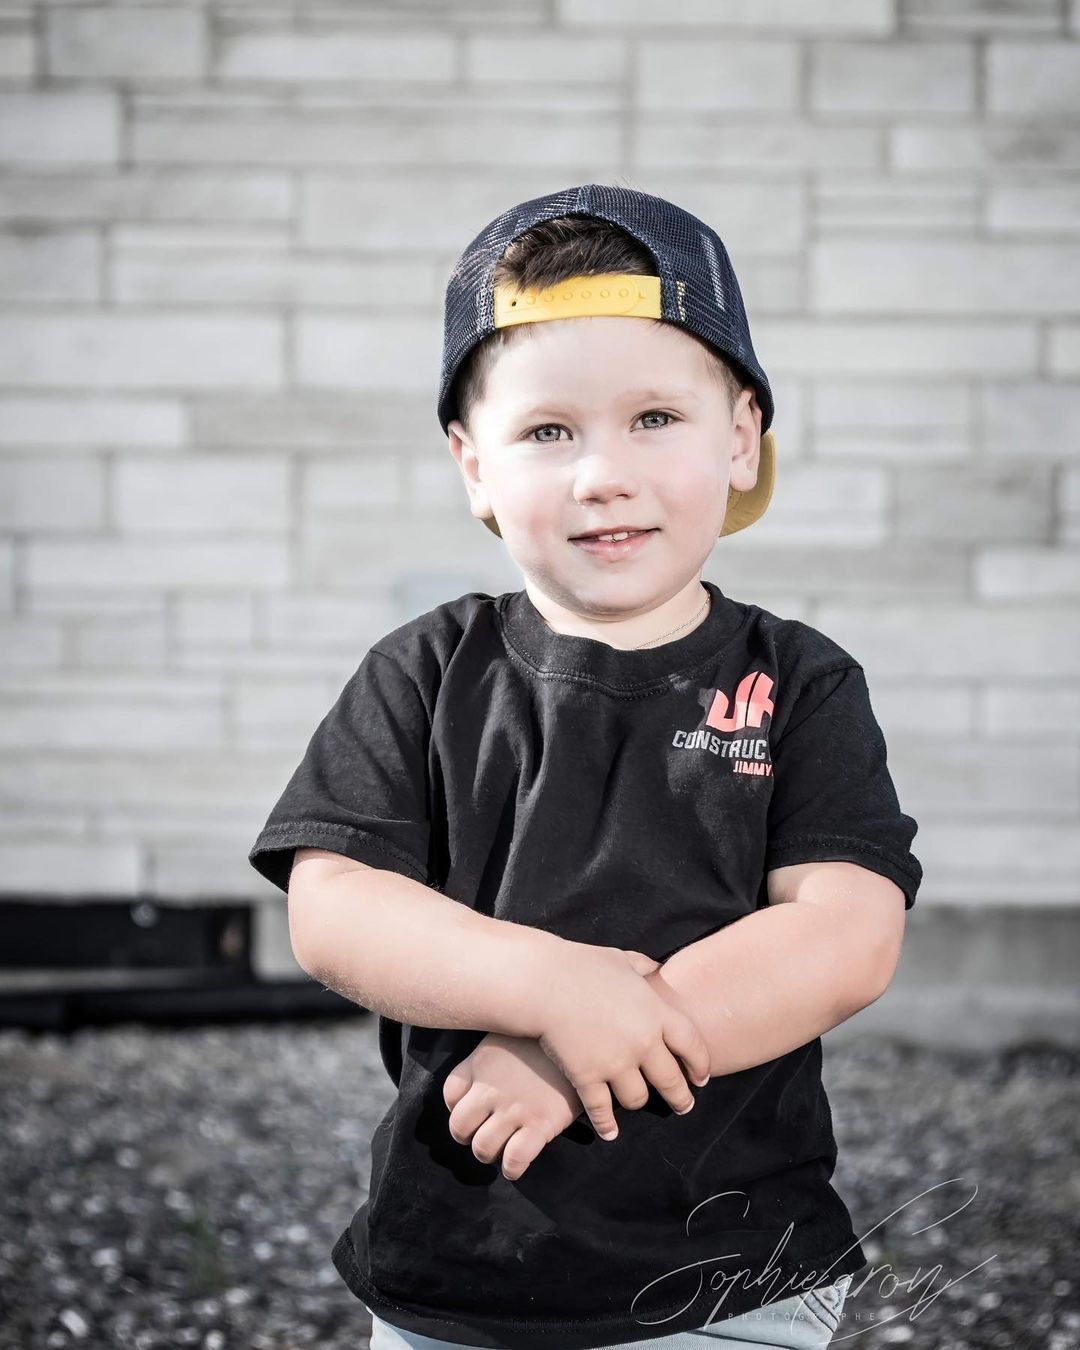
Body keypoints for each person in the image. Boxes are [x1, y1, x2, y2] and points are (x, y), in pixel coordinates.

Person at [248, 183, 923, 1350]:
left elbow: (845, 934)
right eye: (548, 431)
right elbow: (337, 907)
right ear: (474, 467)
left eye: (655, 418)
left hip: (731, 1272)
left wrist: (603, 1037)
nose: (601, 473)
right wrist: (552, 989)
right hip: (462, 1262)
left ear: (743, 436)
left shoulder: (802, 682)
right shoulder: (427, 671)